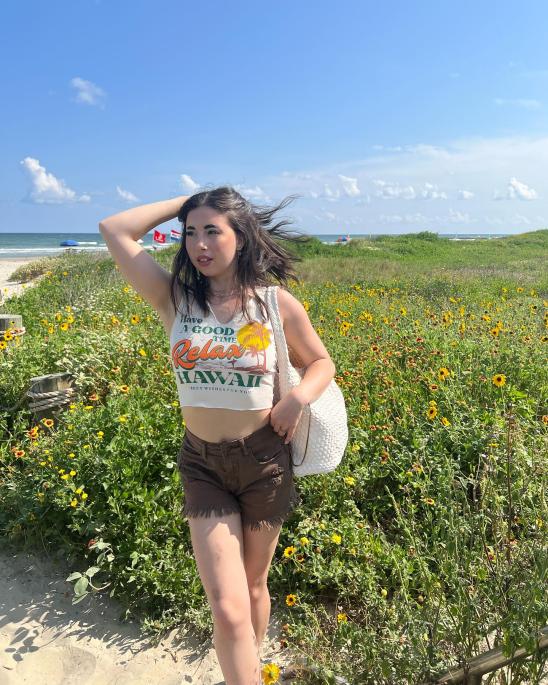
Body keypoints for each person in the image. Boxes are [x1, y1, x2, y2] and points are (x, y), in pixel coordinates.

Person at [99, 186, 336, 684]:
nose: (199, 244)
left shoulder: (274, 304)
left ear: (241, 237)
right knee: (227, 609)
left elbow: (321, 362)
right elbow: (115, 229)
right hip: (203, 465)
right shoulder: (176, 299)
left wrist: (296, 398)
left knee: (252, 587)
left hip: (264, 462)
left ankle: (254, 663)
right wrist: (186, 199)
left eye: (213, 231)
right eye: (190, 233)